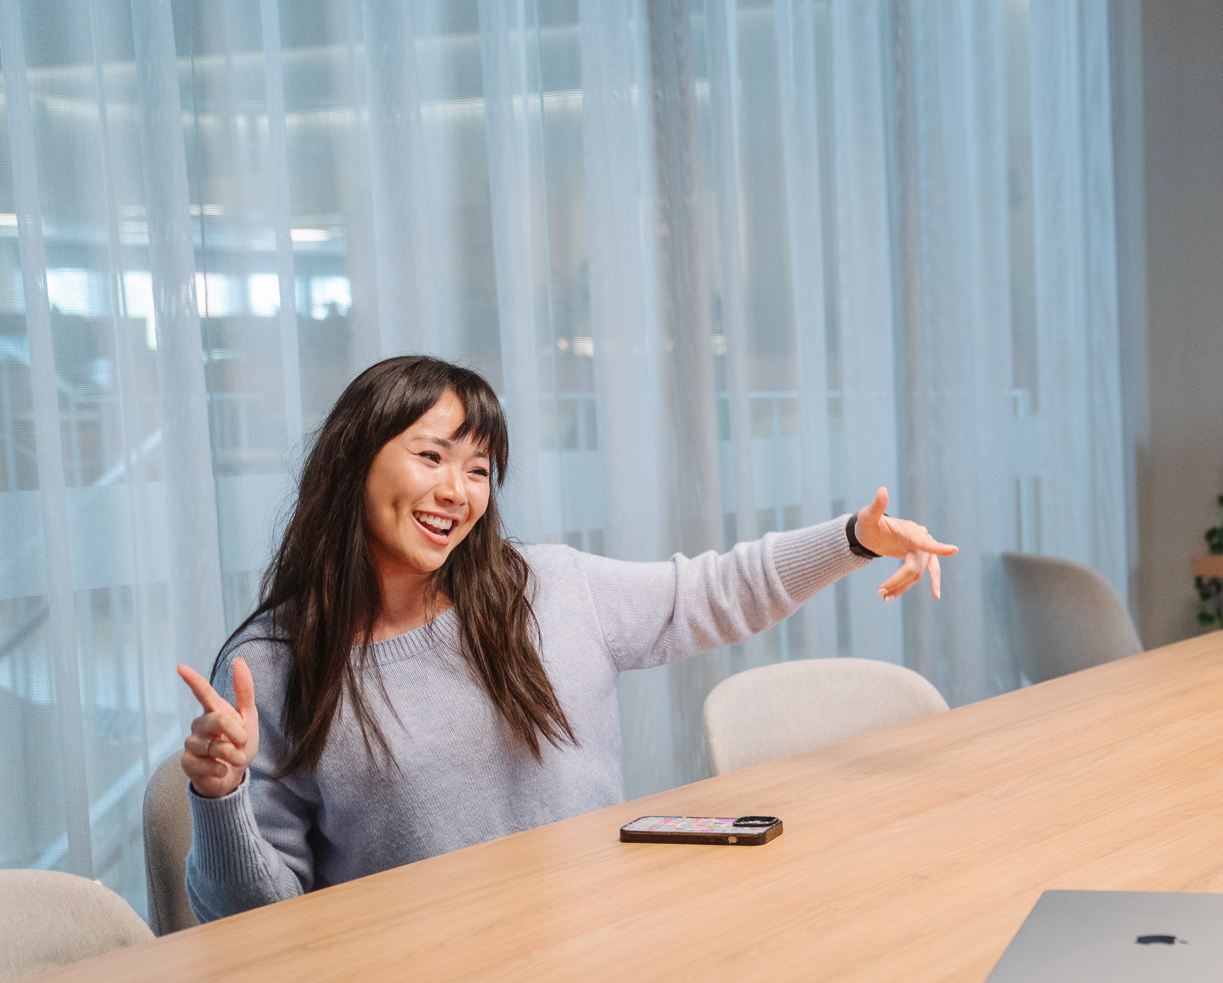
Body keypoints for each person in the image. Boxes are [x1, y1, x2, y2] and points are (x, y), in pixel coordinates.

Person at [176, 356, 956, 923]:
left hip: (602, 948)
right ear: (352, 465)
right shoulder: (271, 667)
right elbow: (258, 926)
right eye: (431, 456)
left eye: (480, 468)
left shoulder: (547, 589)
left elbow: (717, 591)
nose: (457, 490)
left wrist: (854, 539)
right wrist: (220, 798)